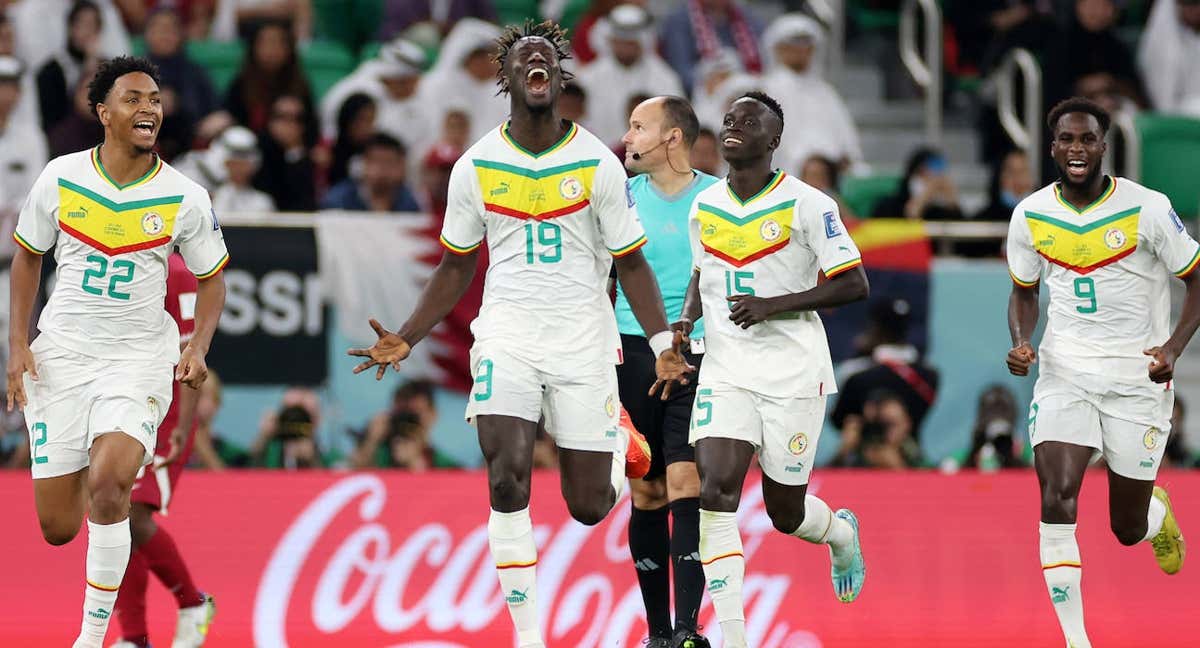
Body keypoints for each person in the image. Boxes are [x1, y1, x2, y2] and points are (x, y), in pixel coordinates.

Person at [347, 21, 693, 648]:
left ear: (559, 76)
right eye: (523, 59)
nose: (536, 65)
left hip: (584, 339)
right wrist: (408, 336)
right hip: (506, 334)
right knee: (506, 477)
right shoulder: (475, 166)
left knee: (589, 506)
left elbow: (632, 263)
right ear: (505, 80)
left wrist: (664, 341)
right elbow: (456, 266)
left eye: (546, 58)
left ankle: (619, 441)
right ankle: (528, 637)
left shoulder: (597, 162)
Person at [6, 55, 228, 648]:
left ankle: (93, 637)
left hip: (137, 362)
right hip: (63, 358)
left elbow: (213, 279)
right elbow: (28, 256)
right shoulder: (59, 177)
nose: (148, 108)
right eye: (133, 99)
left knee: (112, 489)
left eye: (154, 99)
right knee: (57, 527)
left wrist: (199, 345)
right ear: (103, 112)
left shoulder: (185, 197)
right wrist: (17, 345)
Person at [678, 91, 867, 648]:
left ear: (773, 140)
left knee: (785, 512)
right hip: (726, 368)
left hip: (792, 371)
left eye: (749, 120)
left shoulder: (810, 204)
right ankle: (735, 637)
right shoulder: (704, 204)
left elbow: (854, 283)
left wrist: (774, 303)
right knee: (713, 490)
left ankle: (838, 534)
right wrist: (686, 322)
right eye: (730, 117)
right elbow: (701, 271)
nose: (734, 124)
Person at [1005, 97, 1192, 647]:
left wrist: (1174, 348)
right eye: (1066, 139)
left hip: (1138, 381)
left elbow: (1197, 278)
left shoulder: (1148, 208)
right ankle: (1076, 640)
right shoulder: (1031, 213)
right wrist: (1022, 341)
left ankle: (1155, 516)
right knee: (1056, 496)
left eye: (1087, 139)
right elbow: (1023, 292)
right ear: (1053, 146)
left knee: (1126, 529)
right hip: (1066, 373)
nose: (1077, 149)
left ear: (1104, 145)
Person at [618, 95, 717, 648]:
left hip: (695, 352)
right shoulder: (621, 198)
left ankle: (688, 630)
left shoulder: (717, 199)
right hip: (631, 352)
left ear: (672, 137)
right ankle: (658, 633)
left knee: (687, 481)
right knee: (647, 492)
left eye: (638, 127)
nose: (627, 137)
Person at [111, 253, 215, 648]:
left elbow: (192, 353)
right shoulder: (118, 264)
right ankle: (134, 637)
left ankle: (193, 602)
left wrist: (182, 426)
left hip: (164, 412)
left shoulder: (179, 274)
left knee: (134, 513)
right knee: (112, 517)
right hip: (119, 406)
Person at [831, 297, 938, 462]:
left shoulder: (856, 375)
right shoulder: (930, 376)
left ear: (875, 328)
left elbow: (839, 420)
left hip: (864, 464)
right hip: (911, 462)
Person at [761, 14, 862, 173]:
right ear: (779, 49)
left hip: (830, 174)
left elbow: (846, 139)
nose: (801, 52)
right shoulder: (768, 89)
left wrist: (844, 157)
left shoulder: (824, 91)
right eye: (794, 45)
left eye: (806, 46)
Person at [575, 4, 684, 147]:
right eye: (621, 42)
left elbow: (677, 124)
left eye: (631, 43)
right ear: (610, 41)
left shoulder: (665, 78)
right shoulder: (588, 78)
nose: (625, 47)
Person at [416, 18, 506, 145]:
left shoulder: (499, 91)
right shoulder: (434, 86)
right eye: (494, 56)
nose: (499, 63)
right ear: (472, 58)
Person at [223, 19, 315, 133]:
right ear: (254, 48)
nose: (271, 50)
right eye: (265, 43)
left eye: (278, 43)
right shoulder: (240, 85)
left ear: (289, 49)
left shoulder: (300, 86)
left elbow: (312, 132)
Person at [659, 0, 763, 92]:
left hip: (744, 88)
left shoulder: (746, 16)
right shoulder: (678, 20)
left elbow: (764, 63)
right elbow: (682, 72)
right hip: (700, 97)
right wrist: (715, 84)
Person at [37, 0, 104, 134]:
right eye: (82, 24)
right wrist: (88, 71)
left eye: (93, 26)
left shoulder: (106, 66)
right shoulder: (51, 71)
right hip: (65, 140)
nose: (87, 31)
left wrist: (93, 65)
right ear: (70, 27)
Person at [0, 56, 49, 226]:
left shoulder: (31, 137)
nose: (5, 94)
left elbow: (37, 190)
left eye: (10, 87)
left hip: (15, 238)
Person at [321, 133, 421, 212]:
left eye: (389, 162)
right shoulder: (339, 199)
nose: (382, 169)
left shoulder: (410, 201)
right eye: (376, 161)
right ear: (363, 163)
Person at [253, 94, 317, 211]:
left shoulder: (309, 157)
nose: (289, 124)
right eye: (282, 117)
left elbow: (304, 202)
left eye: (297, 119)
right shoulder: (256, 151)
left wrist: (293, 149)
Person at [1140, 0, 1200, 116]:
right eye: (1191, 3)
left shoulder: (1193, 37)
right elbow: (1163, 104)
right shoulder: (1161, 42)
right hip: (1172, 119)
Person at [872, 147, 963, 221]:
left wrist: (953, 205)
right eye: (922, 174)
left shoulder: (938, 211)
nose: (931, 183)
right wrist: (921, 201)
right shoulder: (887, 206)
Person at [210, 125, 275, 213]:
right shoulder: (211, 198)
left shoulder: (262, 202)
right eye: (233, 163)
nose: (238, 169)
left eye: (243, 164)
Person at [326, 92, 377, 187]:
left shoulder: (378, 151)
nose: (368, 127)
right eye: (362, 119)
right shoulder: (328, 153)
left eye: (371, 120)